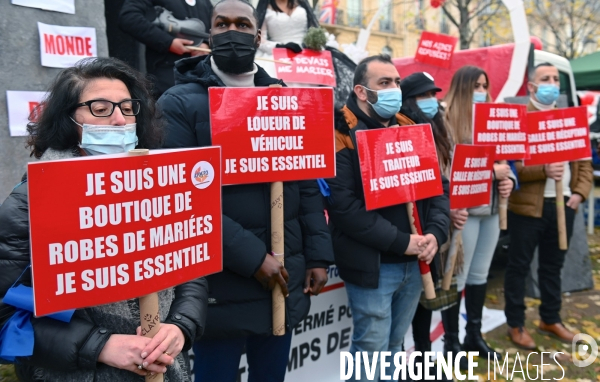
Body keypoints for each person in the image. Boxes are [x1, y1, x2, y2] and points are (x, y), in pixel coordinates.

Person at [156, 0, 335, 381]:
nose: (232, 31)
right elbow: (182, 197)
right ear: (210, 33)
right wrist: (253, 258)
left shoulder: (286, 99)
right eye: (222, 24)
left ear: (258, 35)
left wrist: (319, 255)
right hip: (220, 282)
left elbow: (304, 183)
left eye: (242, 24)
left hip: (284, 278)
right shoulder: (179, 103)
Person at [0, 57, 208, 381]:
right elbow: (6, 315)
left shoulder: (163, 188)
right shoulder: (29, 205)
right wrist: (100, 345)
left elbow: (190, 270)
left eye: (127, 108)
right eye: (100, 108)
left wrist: (181, 326)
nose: (118, 120)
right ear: (69, 118)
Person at [325, 55, 450, 381]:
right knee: (370, 350)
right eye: (385, 83)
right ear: (362, 91)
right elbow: (343, 208)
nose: (395, 89)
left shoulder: (412, 127)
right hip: (374, 267)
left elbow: (438, 190)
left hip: (415, 263)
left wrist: (436, 234)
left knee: (395, 347)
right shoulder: (339, 132)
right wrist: (401, 241)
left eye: (396, 82)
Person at [504, 62, 593, 349]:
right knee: (518, 267)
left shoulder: (569, 119)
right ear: (531, 87)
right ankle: (516, 324)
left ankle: (550, 318)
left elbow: (584, 162)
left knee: (553, 266)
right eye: (545, 79)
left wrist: (579, 192)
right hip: (528, 209)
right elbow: (513, 168)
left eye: (555, 79)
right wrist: (544, 171)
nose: (552, 83)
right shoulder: (519, 120)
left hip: (564, 204)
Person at [442, 65, 515, 362]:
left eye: (485, 85)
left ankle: (474, 335)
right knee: (457, 274)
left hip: (494, 208)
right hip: (465, 210)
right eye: (476, 86)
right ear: (462, 87)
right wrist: (490, 172)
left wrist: (509, 180)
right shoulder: (446, 121)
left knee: (480, 274)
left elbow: (508, 161)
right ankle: (451, 341)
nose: (481, 91)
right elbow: (448, 170)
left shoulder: (494, 119)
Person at [399, 72, 455, 380]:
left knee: (427, 301)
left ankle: (423, 354)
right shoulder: (402, 130)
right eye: (424, 96)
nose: (431, 101)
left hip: (434, 226)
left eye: (434, 95)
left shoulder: (438, 128)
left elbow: (441, 183)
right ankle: (413, 357)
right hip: (410, 231)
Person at [119, 0, 213, 98]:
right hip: (167, 76)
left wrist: (207, 44)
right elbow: (129, 17)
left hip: (201, 77)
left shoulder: (205, 3)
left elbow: (215, 29)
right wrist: (168, 42)